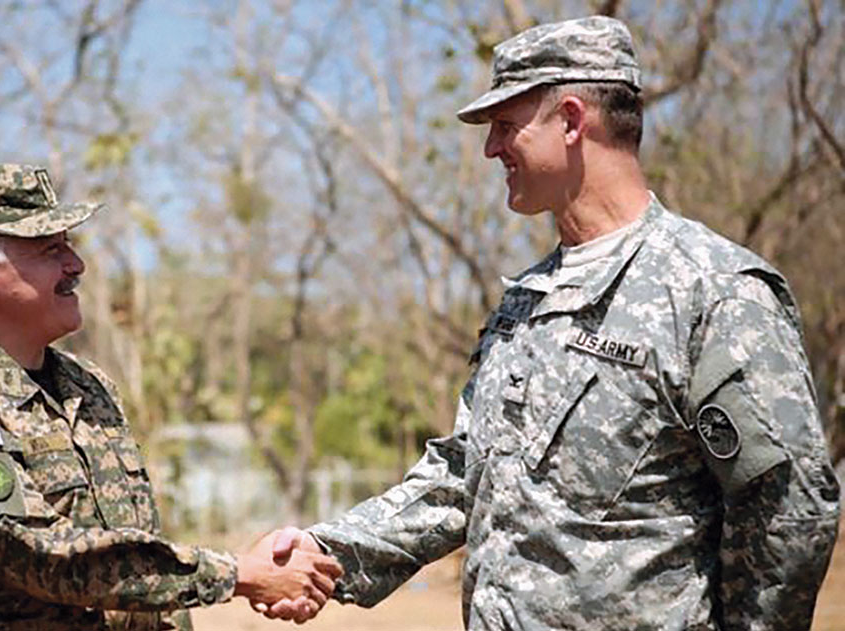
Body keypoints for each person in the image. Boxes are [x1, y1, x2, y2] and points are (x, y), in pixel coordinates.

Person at [262, 16, 841, 630]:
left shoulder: (714, 291)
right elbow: (464, 475)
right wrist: (327, 553)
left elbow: (789, 508)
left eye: (506, 126)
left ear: (570, 120)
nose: (491, 149)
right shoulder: (525, 301)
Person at [0, 164, 341, 631]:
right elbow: (40, 554)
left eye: (68, 245)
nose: (76, 264)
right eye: (49, 249)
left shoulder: (87, 385)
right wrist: (239, 574)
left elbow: (132, 548)